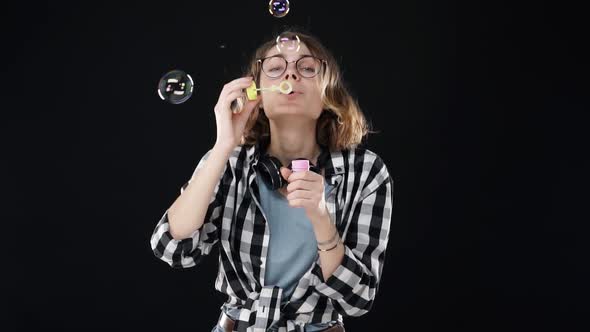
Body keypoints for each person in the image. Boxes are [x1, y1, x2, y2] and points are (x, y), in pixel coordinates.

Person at [150, 29, 394, 332]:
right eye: (276, 68)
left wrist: (321, 219)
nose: (290, 75)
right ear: (258, 96)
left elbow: (358, 299)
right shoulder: (229, 161)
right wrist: (224, 144)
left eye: (306, 68)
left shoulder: (366, 172)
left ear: (328, 94)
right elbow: (172, 247)